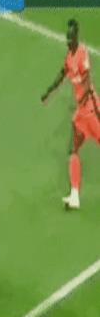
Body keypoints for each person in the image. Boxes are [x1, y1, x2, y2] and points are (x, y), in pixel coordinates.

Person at [41, 19, 100, 209]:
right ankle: (74, 196)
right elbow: (62, 74)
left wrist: (86, 101)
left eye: (70, 38)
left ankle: (75, 196)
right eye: (66, 38)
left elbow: (87, 78)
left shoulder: (82, 53)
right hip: (81, 113)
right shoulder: (69, 57)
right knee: (73, 149)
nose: (67, 41)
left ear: (76, 38)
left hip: (90, 109)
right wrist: (49, 91)